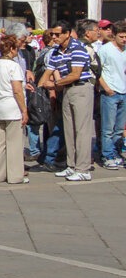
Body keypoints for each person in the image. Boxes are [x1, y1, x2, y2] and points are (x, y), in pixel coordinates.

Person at [40, 19, 95, 181]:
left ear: (67, 34)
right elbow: (47, 73)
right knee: (69, 130)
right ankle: (71, 165)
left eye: (57, 34)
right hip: (66, 90)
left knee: (82, 130)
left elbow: (75, 74)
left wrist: (54, 83)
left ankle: (83, 168)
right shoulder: (56, 51)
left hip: (81, 89)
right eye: (52, 34)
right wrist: (41, 84)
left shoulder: (77, 49)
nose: (54, 37)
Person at [0, 35, 29, 184]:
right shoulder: (13, 66)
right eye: (16, 48)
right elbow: (17, 90)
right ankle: (15, 175)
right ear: (11, 49)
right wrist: (24, 110)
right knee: (14, 143)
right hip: (11, 107)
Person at [97, 20, 126, 169]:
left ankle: (115, 153)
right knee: (108, 128)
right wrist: (106, 88)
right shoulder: (105, 50)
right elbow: (97, 71)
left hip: (124, 92)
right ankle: (107, 155)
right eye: (121, 37)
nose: (124, 39)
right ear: (114, 36)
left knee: (119, 129)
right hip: (110, 93)